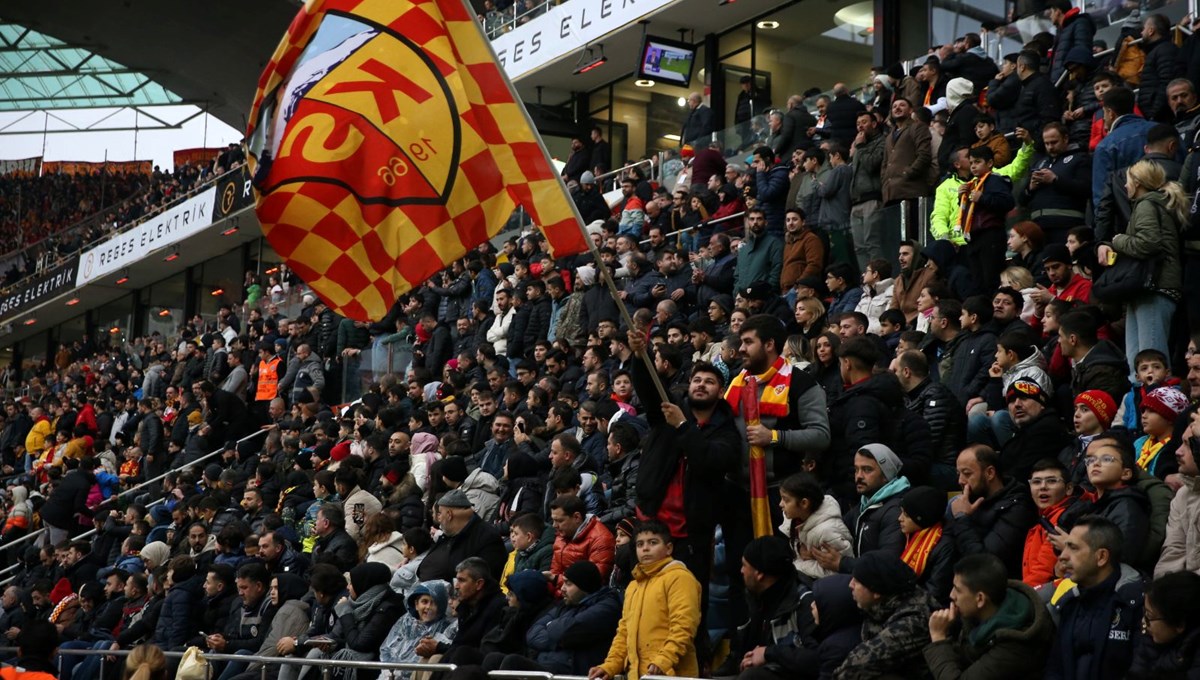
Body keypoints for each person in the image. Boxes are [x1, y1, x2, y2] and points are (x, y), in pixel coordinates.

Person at [1099, 158, 1186, 373]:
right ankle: (1142, 406)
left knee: (1151, 363)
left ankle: (1158, 404)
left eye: (1128, 182)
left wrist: (1118, 240)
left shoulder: (1147, 204)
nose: (1126, 186)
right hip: (1146, 291)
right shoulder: (1150, 204)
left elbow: (1148, 243)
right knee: (1137, 365)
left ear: (1137, 183)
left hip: (1155, 288)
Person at [588, 520, 701, 680]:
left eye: (653, 542)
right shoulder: (634, 586)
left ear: (669, 548)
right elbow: (624, 633)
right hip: (638, 675)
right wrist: (610, 666)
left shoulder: (680, 578)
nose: (645, 548)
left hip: (672, 674)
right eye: (640, 544)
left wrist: (665, 660)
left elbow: (684, 626)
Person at [1046, 515, 1144, 680]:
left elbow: (1141, 670)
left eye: (1073, 548)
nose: (1062, 556)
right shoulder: (1066, 603)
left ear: (1101, 557)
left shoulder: (1136, 604)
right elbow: (1054, 668)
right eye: (1065, 547)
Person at [923, 553, 1054, 678]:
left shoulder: (1014, 646)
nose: (951, 595)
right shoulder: (979, 611)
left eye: (957, 590)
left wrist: (939, 638)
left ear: (980, 599)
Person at [835, 551, 937, 678]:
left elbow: (855, 666)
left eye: (857, 581)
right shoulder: (887, 597)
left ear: (876, 591)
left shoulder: (914, 621)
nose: (850, 585)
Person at [946, 445, 1037, 579]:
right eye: (958, 474)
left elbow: (985, 564)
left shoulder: (1017, 507)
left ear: (990, 473)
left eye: (967, 473)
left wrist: (961, 518)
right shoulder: (967, 500)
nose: (960, 481)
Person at [730, 536, 814, 680]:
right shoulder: (754, 599)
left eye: (744, 565)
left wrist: (768, 653)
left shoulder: (804, 602)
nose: (741, 571)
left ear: (759, 574)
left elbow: (816, 659)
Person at [778, 471, 852, 582]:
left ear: (804, 503)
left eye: (786, 500)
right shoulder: (797, 519)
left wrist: (797, 566)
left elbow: (837, 573)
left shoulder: (827, 532)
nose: (780, 504)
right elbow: (800, 551)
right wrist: (799, 550)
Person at [1127, 570, 1200, 678]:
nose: (1144, 621)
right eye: (1145, 613)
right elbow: (1135, 674)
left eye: (1150, 616)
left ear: (1179, 625)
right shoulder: (1151, 638)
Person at [1023, 459, 1077, 587]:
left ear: (1069, 488)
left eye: (1051, 481)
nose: (1042, 487)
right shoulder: (1044, 519)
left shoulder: (1063, 520)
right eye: (1036, 482)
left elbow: (1043, 571)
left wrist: (1023, 596)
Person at [1156, 422, 1200, 577]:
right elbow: (1173, 553)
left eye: (1189, 445)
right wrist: (1162, 596)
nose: (1178, 451)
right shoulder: (1183, 495)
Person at [898, 485, 955, 604]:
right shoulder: (908, 534)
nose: (900, 518)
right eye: (901, 512)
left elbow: (936, 593)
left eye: (907, 515)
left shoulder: (945, 547)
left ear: (921, 518)